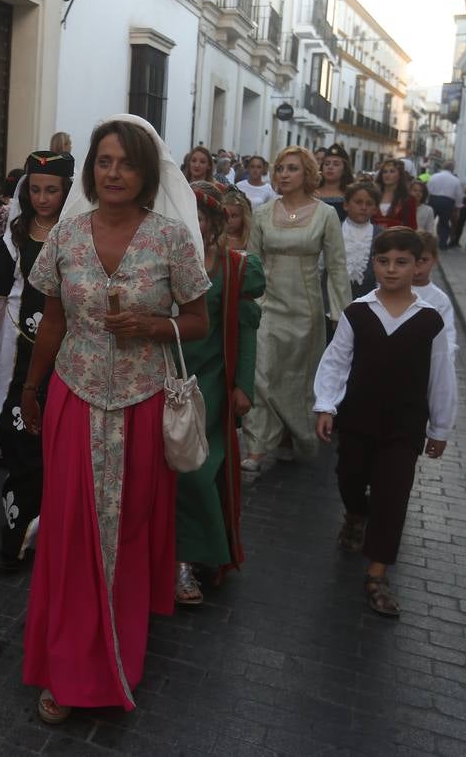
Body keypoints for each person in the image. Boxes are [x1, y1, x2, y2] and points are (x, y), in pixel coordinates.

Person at [20, 115, 208, 722]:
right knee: (71, 533)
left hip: (143, 401)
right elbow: (53, 320)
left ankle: (117, 656)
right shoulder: (67, 237)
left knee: (126, 530)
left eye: (126, 162)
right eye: (104, 161)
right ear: (91, 170)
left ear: (147, 173)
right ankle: (69, 663)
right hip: (74, 397)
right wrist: (31, 385)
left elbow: (199, 321)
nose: (114, 173)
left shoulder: (172, 239)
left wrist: (156, 326)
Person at [315, 227, 456, 617]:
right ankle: (356, 514)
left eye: (401, 262)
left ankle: (377, 574)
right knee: (350, 478)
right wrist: (326, 405)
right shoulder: (358, 312)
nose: (391, 270)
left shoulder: (429, 320)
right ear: (373, 264)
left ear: (417, 267)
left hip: (404, 427)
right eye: (383, 261)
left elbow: (441, 374)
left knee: (393, 496)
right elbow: (336, 361)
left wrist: (440, 427)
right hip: (358, 418)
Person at [0, 150, 75, 570]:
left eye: (51, 190)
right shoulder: (15, 238)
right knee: (17, 438)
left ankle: (46, 530)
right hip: (17, 353)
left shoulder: (78, 235)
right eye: (34, 189)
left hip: (66, 355)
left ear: (67, 191)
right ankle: (20, 528)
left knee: (56, 444)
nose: (42, 198)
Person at [174, 183, 264, 605]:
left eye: (200, 216)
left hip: (209, 385)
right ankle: (182, 557)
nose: (191, 223)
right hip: (161, 380)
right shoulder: (159, 259)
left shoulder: (235, 268)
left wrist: (243, 385)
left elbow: (246, 330)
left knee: (197, 472)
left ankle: (190, 559)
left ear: (213, 224)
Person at [242, 146, 350, 473]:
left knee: (297, 380)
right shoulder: (261, 214)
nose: (284, 175)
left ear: (307, 173)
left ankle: (290, 438)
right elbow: (253, 263)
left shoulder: (326, 215)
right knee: (262, 376)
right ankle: (258, 447)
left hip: (307, 309)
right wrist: (250, 305)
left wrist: (342, 317)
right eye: (280, 169)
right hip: (268, 307)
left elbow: (337, 266)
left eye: (292, 169)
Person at [412, 231, 458, 356]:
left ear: (435, 259)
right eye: (413, 259)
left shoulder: (441, 300)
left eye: (424, 260)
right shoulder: (393, 291)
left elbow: (448, 338)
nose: (418, 266)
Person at [342, 181, 380, 299]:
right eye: (358, 202)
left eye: (369, 204)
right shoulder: (333, 229)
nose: (363, 207)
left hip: (367, 299)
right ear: (346, 205)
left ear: (375, 209)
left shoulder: (381, 235)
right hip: (332, 299)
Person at [373, 158, 418, 229]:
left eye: (392, 171)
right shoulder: (373, 196)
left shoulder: (408, 199)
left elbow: (411, 226)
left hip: (397, 238)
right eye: (385, 172)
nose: (387, 175)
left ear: (399, 175)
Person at [425, 161, 462, 249]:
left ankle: (425, 242)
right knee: (444, 223)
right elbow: (459, 194)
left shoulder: (434, 176)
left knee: (429, 221)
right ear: (452, 169)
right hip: (447, 202)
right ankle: (442, 244)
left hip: (433, 199)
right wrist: (457, 206)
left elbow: (427, 189)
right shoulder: (455, 179)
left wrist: (426, 201)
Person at [316, 145, 355, 220]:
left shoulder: (350, 195)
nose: (330, 167)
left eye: (336, 164)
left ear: (344, 169)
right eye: (326, 164)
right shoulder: (312, 193)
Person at [222, 187, 252, 251]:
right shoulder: (215, 240)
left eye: (234, 216)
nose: (229, 221)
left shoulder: (252, 239)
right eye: (225, 216)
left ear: (244, 217)